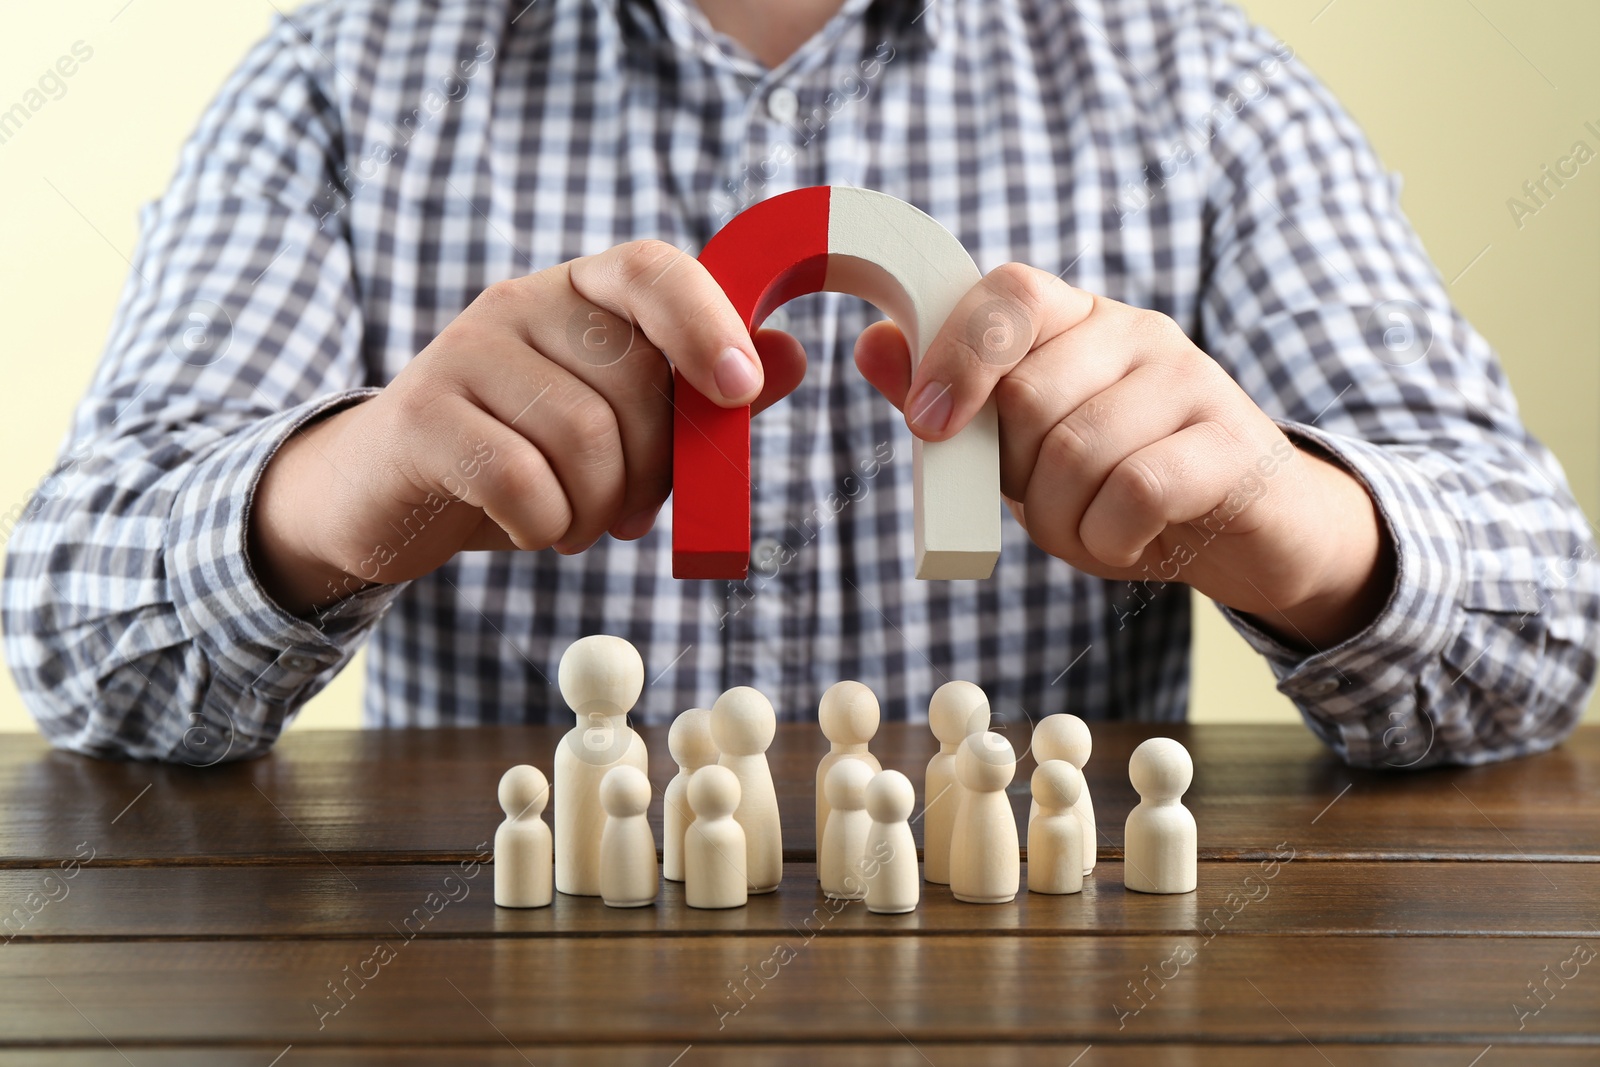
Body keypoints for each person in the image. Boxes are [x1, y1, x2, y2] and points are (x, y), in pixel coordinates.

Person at [3, 0, 1595, 768]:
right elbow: (75, 652)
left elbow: (1542, 636)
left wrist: (1299, 528)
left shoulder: (1208, 86)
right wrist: (320, 498)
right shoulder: (339, 80)